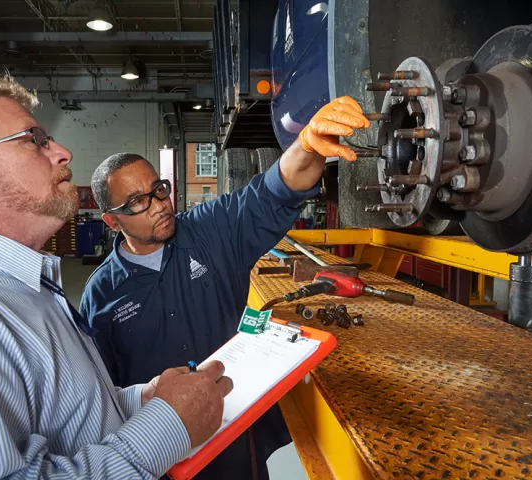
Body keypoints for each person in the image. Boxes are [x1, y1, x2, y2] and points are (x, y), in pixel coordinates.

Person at [0, 76, 233, 479]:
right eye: (33, 139)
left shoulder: (19, 287)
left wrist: (143, 400)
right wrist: (167, 427)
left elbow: (63, 422)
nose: (62, 152)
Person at [80, 96, 370, 478]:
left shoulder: (210, 231)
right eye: (137, 202)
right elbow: (102, 399)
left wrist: (306, 145)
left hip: (237, 442)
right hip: (165, 457)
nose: (158, 205)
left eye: (159, 190)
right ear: (112, 221)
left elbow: (273, 192)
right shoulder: (101, 295)